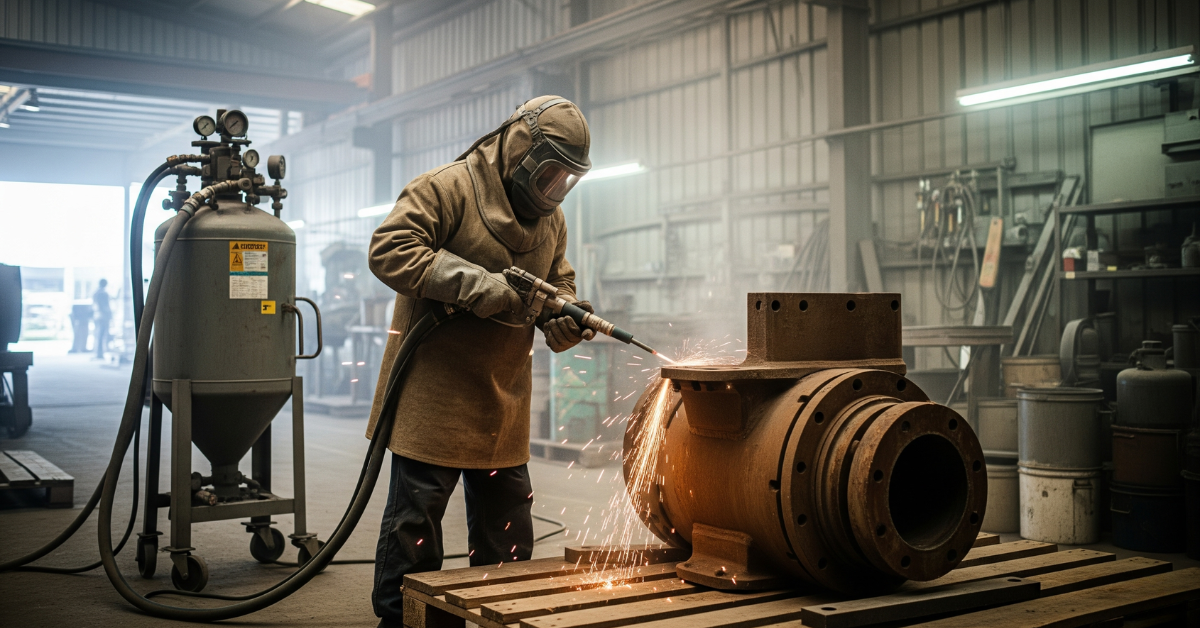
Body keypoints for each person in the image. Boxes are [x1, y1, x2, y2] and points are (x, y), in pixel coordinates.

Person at [365, 95, 595, 627]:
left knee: (508, 536)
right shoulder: (445, 189)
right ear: (521, 151)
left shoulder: (550, 219)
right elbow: (390, 248)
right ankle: (408, 622)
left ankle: (500, 617)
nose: (555, 189)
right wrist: (477, 287)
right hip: (433, 397)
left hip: (503, 402)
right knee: (415, 529)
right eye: (550, 175)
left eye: (566, 179)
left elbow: (558, 282)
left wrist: (565, 316)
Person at [92, 278, 111, 359]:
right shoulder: (103, 293)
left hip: (97, 315)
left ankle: (98, 352)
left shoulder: (96, 292)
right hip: (103, 315)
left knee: (99, 334)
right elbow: (105, 305)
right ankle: (100, 353)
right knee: (102, 334)